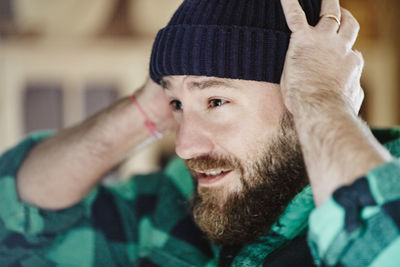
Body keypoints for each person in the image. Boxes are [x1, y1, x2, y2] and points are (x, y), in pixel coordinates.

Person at [1, 0, 399, 266]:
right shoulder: (170, 204)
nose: (185, 147)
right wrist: (147, 110)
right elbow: (15, 229)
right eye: (177, 107)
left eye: (216, 102)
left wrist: (322, 99)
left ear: (298, 90)